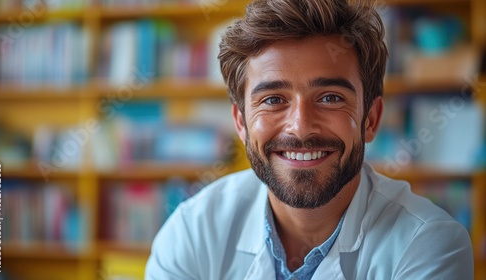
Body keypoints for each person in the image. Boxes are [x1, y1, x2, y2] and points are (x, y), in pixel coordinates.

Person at [145, 0, 474, 279]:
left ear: (370, 119)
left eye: (330, 98)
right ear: (240, 122)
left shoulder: (429, 243)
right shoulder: (192, 230)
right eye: (273, 99)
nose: (300, 128)